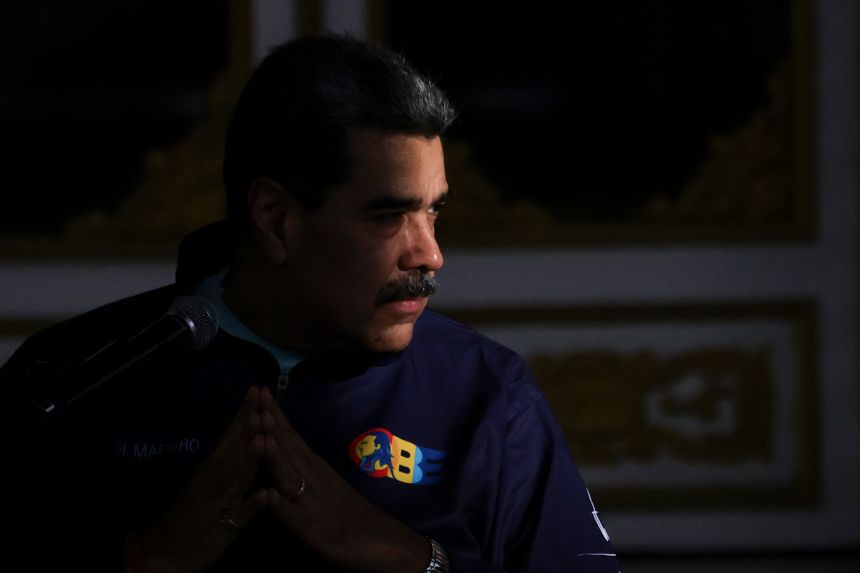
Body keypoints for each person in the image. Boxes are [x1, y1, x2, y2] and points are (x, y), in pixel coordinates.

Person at [1, 34, 620, 572]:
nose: (429, 255)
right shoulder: (73, 379)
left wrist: (412, 559)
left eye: (433, 211)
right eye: (388, 217)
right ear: (276, 219)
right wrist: (149, 559)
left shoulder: (488, 392)